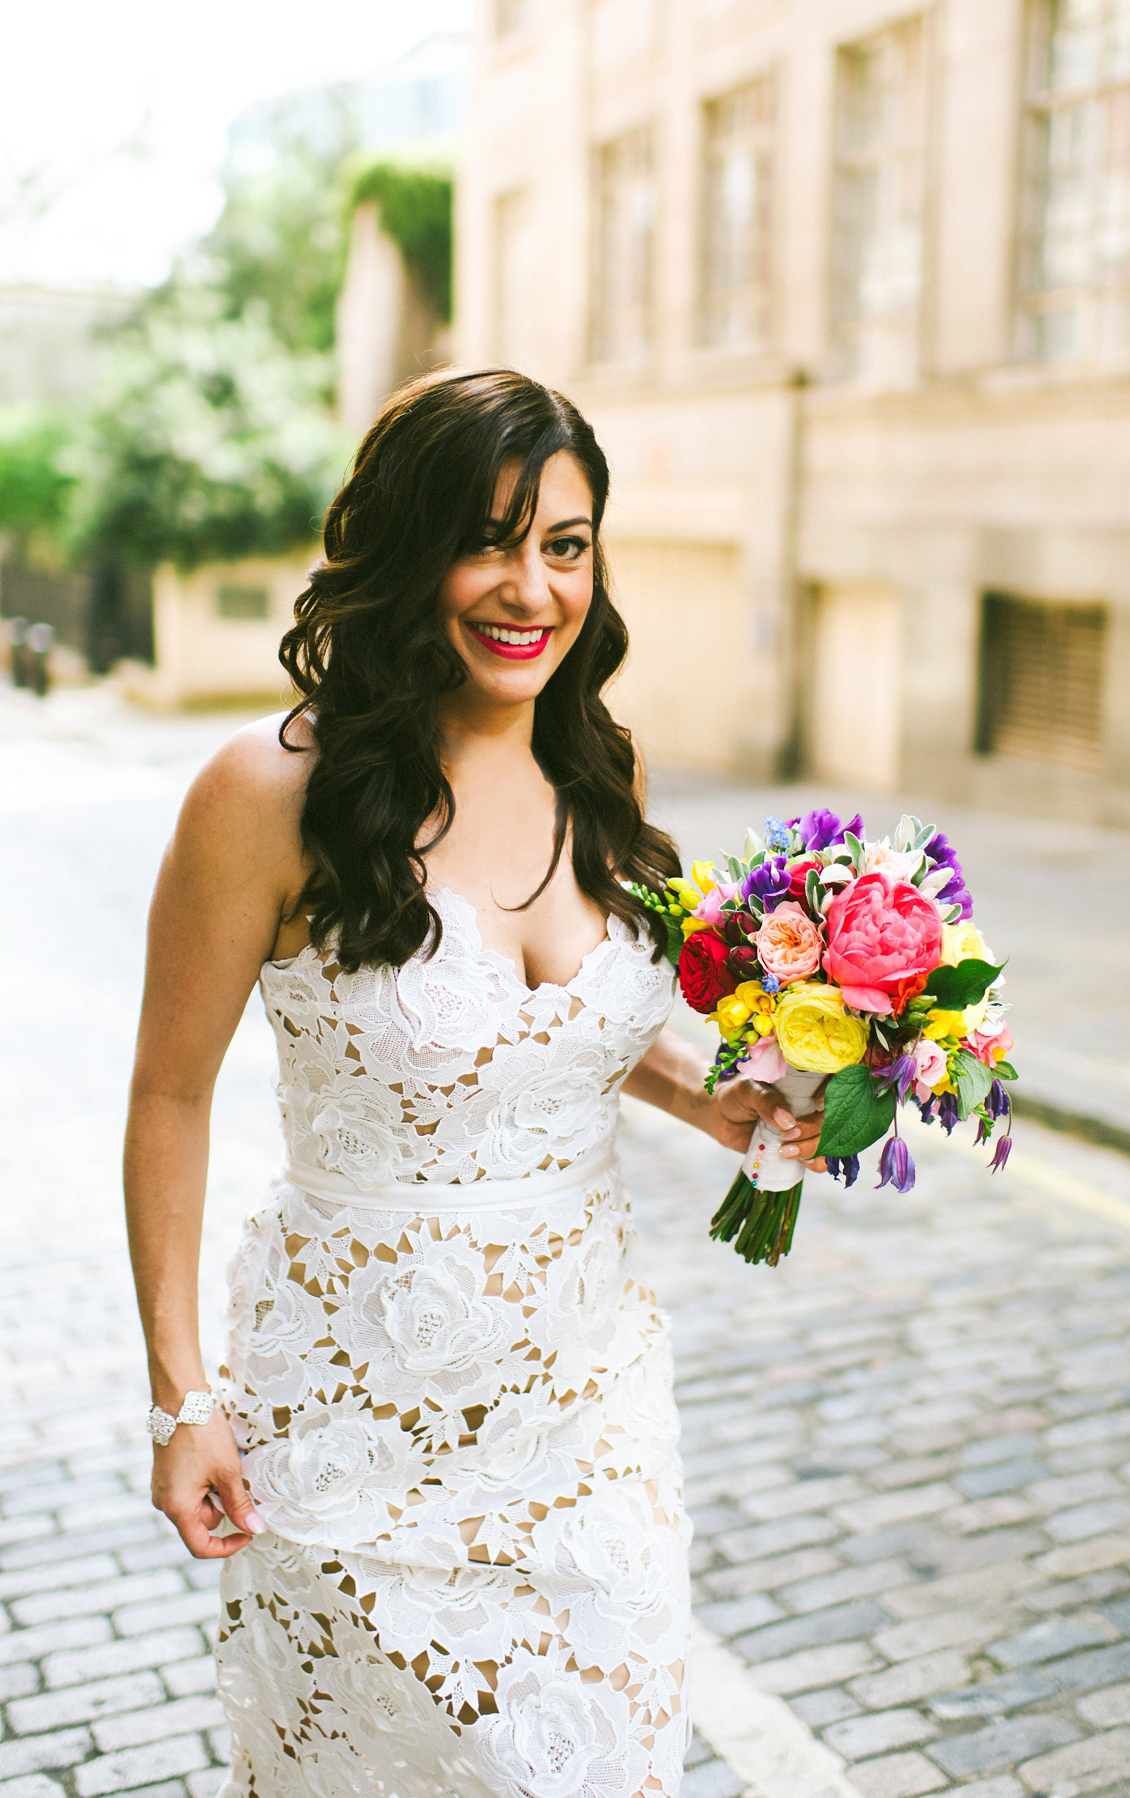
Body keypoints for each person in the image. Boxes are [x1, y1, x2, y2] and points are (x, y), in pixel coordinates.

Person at [124, 369, 823, 1798]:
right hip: (351, 1443)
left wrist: (718, 1096)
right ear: (402, 549)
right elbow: (169, 1098)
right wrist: (178, 1395)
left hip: (592, 1435)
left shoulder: (596, 769)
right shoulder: (265, 797)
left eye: (565, 544)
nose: (532, 588)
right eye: (489, 539)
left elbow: (571, 1033)